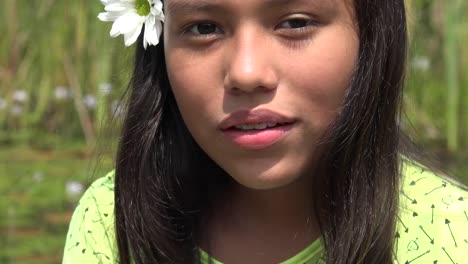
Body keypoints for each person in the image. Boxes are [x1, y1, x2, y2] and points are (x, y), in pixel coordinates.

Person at [63, 0, 467, 263]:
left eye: (295, 23)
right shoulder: (111, 220)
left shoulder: (448, 232)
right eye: (204, 28)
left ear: (373, 37)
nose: (247, 73)